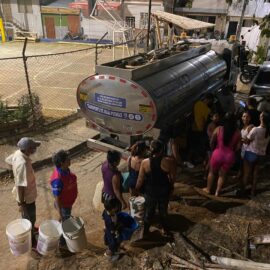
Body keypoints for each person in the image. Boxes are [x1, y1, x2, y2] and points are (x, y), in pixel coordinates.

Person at [135, 140, 176, 236]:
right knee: (163, 211)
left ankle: (145, 232)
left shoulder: (145, 162)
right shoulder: (169, 162)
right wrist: (171, 189)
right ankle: (165, 230)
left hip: (150, 192)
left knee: (149, 212)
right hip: (164, 191)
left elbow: (140, 180)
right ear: (162, 150)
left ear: (151, 149)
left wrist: (136, 190)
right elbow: (172, 179)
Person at [5, 137, 41, 247]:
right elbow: (20, 186)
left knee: (29, 217)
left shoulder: (18, 153)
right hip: (26, 198)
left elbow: (8, 161)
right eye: (33, 148)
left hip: (27, 194)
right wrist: (22, 203)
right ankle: (32, 241)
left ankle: (32, 227)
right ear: (27, 149)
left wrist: (15, 174)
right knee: (29, 218)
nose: (34, 149)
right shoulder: (23, 164)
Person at [203, 113, 241, 196]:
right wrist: (231, 151)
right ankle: (217, 192)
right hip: (229, 156)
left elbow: (212, 141)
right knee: (222, 175)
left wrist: (214, 149)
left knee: (212, 172)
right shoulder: (238, 132)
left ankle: (208, 189)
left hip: (217, 153)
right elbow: (238, 147)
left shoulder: (219, 129)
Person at [50, 150, 78, 248]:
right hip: (63, 206)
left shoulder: (66, 170)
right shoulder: (57, 180)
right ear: (62, 163)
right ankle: (62, 243)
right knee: (65, 222)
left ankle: (58, 226)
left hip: (68, 203)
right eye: (68, 159)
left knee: (64, 219)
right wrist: (61, 214)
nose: (70, 160)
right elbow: (57, 199)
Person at [242, 111, 270, 196]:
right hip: (261, 155)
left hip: (251, 153)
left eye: (260, 115)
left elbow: (246, 141)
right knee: (255, 174)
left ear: (261, 118)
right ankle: (253, 191)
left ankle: (242, 191)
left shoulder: (256, 129)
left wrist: (242, 139)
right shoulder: (268, 132)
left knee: (246, 173)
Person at [186, 93, 214, 167]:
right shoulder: (206, 109)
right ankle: (191, 160)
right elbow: (209, 117)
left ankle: (191, 159)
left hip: (193, 128)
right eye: (210, 101)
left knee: (192, 145)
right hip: (200, 130)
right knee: (197, 146)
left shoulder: (197, 103)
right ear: (208, 100)